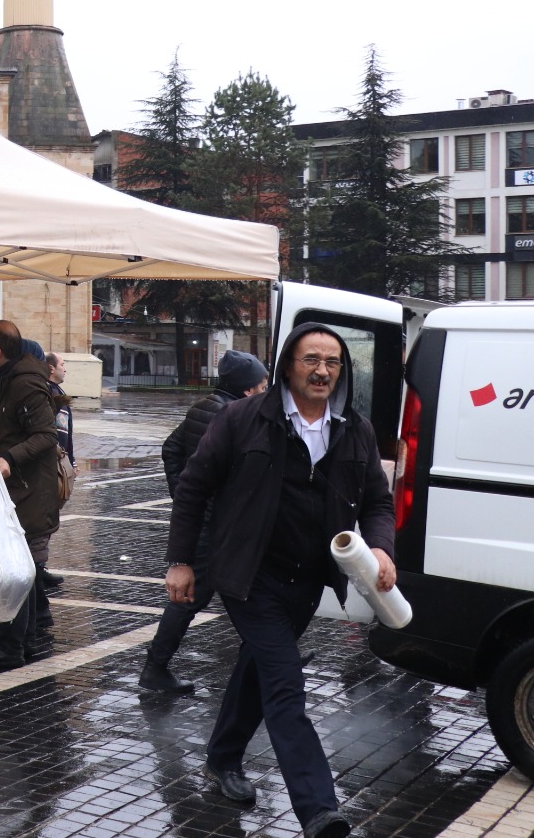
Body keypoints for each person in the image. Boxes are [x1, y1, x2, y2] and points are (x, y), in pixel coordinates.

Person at [165, 324, 397, 838]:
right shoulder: (242, 419)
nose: (322, 370)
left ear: (342, 370)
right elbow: (193, 487)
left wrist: (380, 546)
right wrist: (181, 560)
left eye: (332, 362)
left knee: (259, 665)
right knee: (285, 682)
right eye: (311, 359)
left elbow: (378, 500)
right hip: (249, 575)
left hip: (308, 579)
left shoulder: (354, 428)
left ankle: (222, 756)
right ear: (288, 365)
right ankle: (319, 810)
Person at [141, 349, 269, 693]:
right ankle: (155, 668)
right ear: (247, 390)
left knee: (246, 591)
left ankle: (272, 655)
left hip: (209, 521)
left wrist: (183, 493)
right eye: (262, 385)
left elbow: (171, 448)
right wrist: (194, 498)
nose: (266, 390)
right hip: (216, 527)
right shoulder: (234, 415)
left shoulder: (203, 406)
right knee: (189, 599)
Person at [0, 320, 59, 671]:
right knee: (18, 569)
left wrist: (9, 457)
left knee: (15, 569)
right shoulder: (4, 378)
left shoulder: (25, 383)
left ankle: (12, 646)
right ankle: (23, 635)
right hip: (8, 492)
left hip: (24, 493)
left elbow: (45, 434)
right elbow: (2, 423)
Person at [37, 351, 75, 591]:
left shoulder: (58, 392)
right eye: (62, 364)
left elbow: (67, 431)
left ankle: (41, 566)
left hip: (61, 461)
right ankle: (38, 568)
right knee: (46, 516)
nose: (65, 368)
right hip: (53, 463)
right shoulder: (48, 392)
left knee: (51, 515)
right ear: (51, 368)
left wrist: (73, 460)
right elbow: (57, 433)